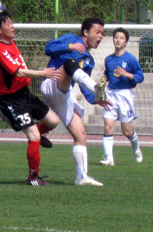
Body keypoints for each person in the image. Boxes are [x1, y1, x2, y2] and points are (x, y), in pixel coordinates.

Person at [0, 10, 61, 186]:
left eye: (12, 23)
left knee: (53, 121)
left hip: (24, 93)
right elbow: (18, 72)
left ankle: (38, 138)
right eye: (8, 24)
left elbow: (3, 56)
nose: (12, 26)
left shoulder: (8, 43)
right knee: (33, 135)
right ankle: (33, 177)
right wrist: (43, 73)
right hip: (11, 100)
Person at [40, 17, 111, 186]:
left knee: (81, 134)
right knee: (70, 64)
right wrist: (69, 47)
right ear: (86, 32)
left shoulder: (89, 60)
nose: (100, 36)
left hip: (65, 94)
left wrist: (96, 99)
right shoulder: (71, 39)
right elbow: (48, 48)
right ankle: (96, 87)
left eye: (102, 33)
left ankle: (81, 177)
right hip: (51, 83)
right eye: (97, 32)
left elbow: (83, 89)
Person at [99, 27, 145, 166]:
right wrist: (102, 80)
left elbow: (140, 76)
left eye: (121, 38)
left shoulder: (130, 59)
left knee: (126, 131)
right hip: (111, 94)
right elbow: (107, 75)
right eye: (116, 37)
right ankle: (109, 158)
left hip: (125, 95)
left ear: (125, 42)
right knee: (108, 126)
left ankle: (136, 149)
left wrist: (127, 74)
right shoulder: (109, 59)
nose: (118, 40)